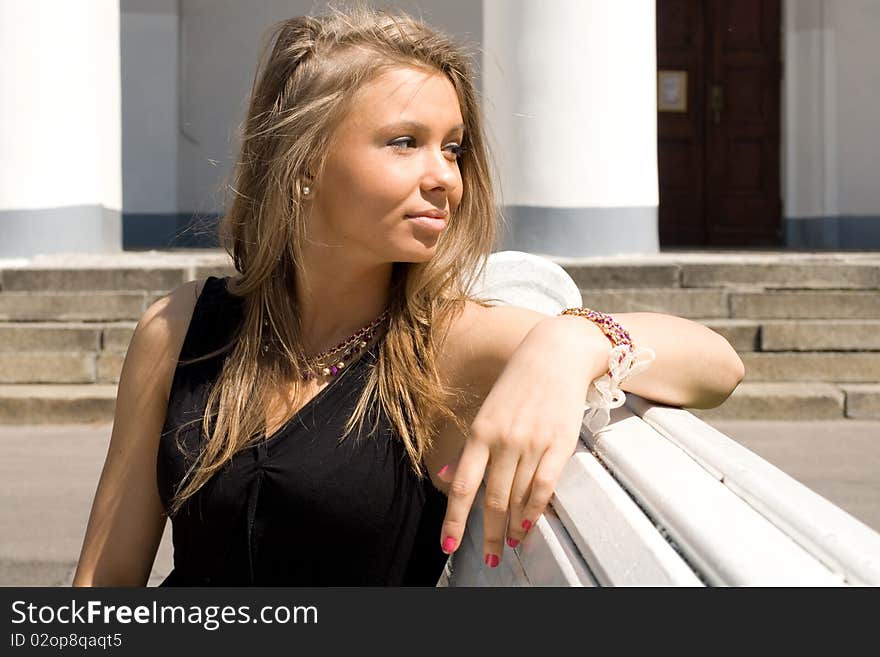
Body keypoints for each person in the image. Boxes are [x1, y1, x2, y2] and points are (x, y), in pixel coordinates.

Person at [72, 5, 744, 587]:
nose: (445, 177)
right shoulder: (178, 329)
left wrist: (573, 341)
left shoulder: (443, 343)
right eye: (405, 143)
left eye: (452, 148)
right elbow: (105, 576)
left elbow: (716, 366)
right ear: (304, 162)